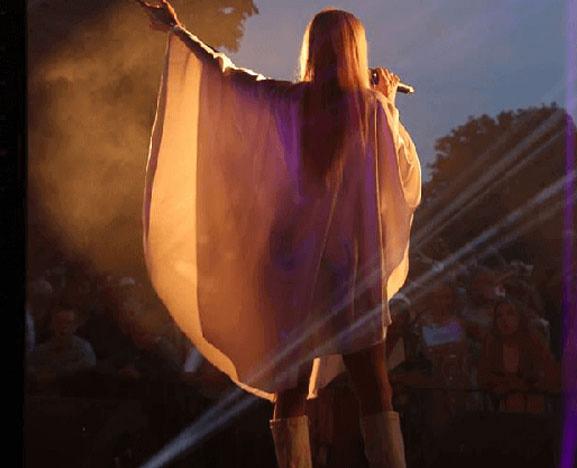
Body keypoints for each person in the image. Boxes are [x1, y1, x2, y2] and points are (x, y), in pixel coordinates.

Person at [137, 2, 422, 467]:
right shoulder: (369, 108)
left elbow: (224, 76)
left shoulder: (287, 100)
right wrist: (388, 100)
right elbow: (404, 181)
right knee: (373, 385)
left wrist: (179, 30)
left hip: (289, 266)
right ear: (356, 51)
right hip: (348, 266)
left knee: (290, 387)